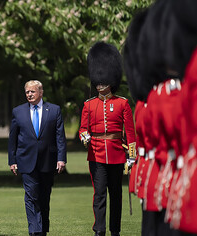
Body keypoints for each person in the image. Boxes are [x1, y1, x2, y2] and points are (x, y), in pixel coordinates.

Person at [79, 42, 136, 236]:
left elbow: (130, 131)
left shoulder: (122, 103)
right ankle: (99, 229)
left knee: (116, 195)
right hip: (96, 154)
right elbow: (83, 129)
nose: (100, 84)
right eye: (98, 81)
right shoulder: (89, 105)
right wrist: (84, 136)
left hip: (117, 154)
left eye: (103, 81)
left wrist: (132, 155)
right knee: (99, 194)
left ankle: (115, 230)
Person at [8, 80, 67, 236]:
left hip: (48, 161)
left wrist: (61, 159)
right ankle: (34, 230)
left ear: (41, 92)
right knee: (31, 195)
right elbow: (12, 138)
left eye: (32, 91)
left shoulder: (54, 110)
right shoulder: (18, 111)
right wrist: (12, 160)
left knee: (44, 198)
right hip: (26, 160)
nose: (29, 94)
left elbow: (60, 137)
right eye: (27, 91)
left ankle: (42, 230)